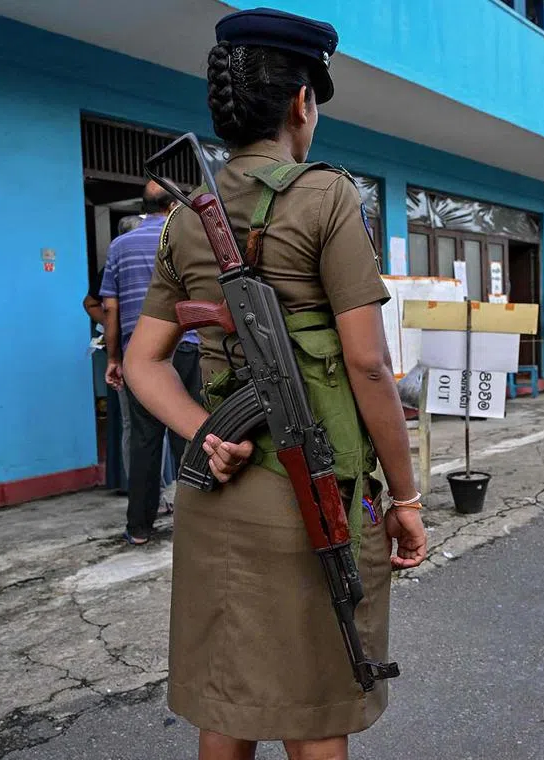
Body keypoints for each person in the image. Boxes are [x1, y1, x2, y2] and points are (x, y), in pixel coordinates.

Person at [122, 8, 428, 759]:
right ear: (302, 103)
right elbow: (367, 365)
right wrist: (409, 498)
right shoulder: (326, 196)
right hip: (312, 487)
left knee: (228, 695)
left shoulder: (185, 218)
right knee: (317, 702)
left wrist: (203, 432)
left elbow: (142, 361)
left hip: (220, 496)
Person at [100, 181, 203, 545]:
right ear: (174, 206)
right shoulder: (187, 238)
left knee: (143, 442)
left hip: (138, 356)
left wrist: (114, 358)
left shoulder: (119, 246)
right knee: (188, 436)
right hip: (187, 347)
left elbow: (110, 307)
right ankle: (194, 525)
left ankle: (139, 528)